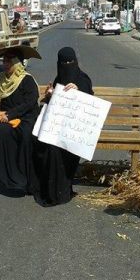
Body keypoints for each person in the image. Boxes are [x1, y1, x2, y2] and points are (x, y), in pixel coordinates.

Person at [30, 47, 93, 206]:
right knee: (41, 144)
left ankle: (61, 190)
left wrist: (78, 92)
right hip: (56, 128)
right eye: (63, 63)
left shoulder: (83, 79)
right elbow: (53, 106)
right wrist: (50, 95)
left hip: (74, 131)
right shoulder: (59, 79)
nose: (67, 66)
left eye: (70, 62)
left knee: (57, 150)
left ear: (75, 63)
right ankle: (47, 188)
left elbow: (89, 105)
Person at [0, 50, 40, 190]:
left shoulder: (26, 79)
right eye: (4, 61)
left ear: (17, 63)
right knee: (1, 131)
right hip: (7, 119)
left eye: (9, 61)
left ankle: (24, 177)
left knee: (26, 135)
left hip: (26, 118)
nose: (5, 64)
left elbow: (30, 103)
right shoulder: (2, 79)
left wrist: (10, 114)